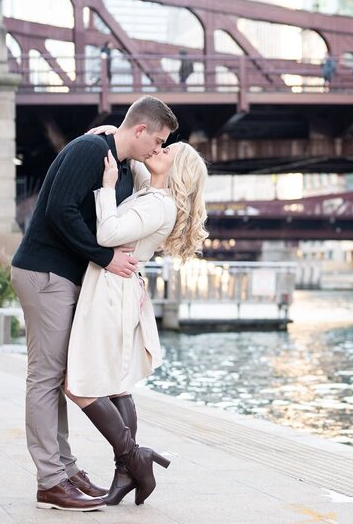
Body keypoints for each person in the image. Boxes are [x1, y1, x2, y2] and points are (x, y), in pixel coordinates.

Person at [10, 96, 177, 512]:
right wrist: (104, 258)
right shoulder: (91, 150)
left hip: (64, 277)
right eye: (156, 140)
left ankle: (65, 469)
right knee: (46, 377)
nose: (158, 149)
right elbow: (59, 209)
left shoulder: (119, 166)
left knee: (63, 374)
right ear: (140, 130)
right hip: (45, 272)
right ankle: (51, 480)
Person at [63, 138, 208, 506]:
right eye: (161, 144)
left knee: (78, 385)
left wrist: (108, 187)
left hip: (112, 289)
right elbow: (136, 153)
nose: (159, 150)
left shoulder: (159, 206)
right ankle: (127, 469)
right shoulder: (152, 192)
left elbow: (107, 235)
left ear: (175, 170)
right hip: (117, 288)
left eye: (167, 152)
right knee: (116, 385)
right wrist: (114, 131)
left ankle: (133, 457)